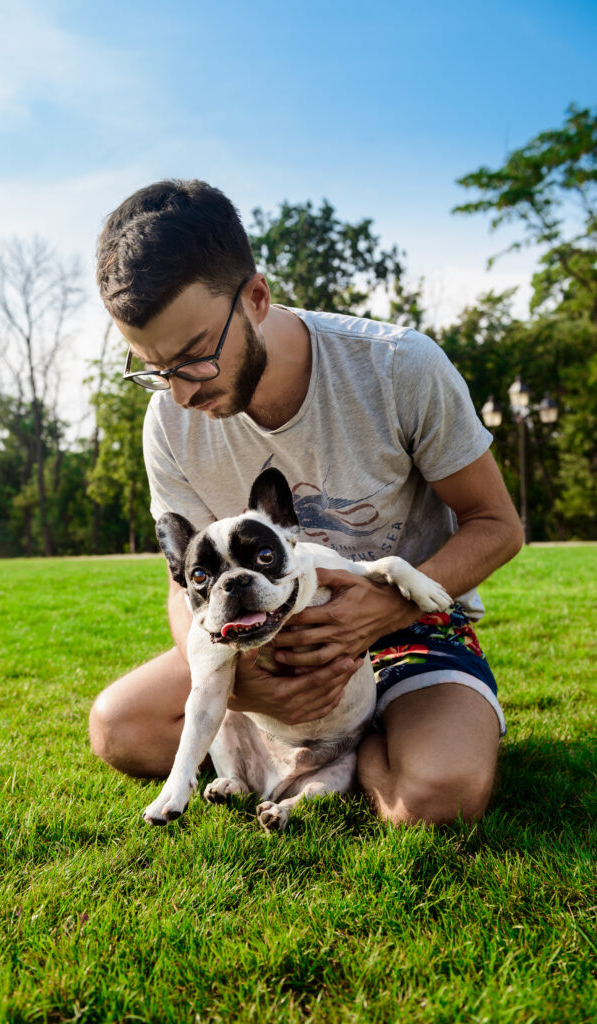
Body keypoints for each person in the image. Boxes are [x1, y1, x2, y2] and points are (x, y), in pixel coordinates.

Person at [89, 180, 523, 825]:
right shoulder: (167, 421)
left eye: (194, 358)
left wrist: (380, 611)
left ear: (257, 298)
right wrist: (239, 677)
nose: (179, 393)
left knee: (439, 797)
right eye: (153, 368)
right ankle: (338, 742)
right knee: (121, 729)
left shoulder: (398, 366)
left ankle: (382, 734)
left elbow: (498, 526)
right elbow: (184, 585)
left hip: (411, 629)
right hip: (262, 638)